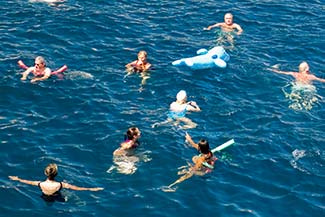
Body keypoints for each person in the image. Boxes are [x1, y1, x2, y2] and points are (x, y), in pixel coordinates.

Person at [9, 163, 103, 202]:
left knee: (48, 202)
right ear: (56, 174)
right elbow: (78, 188)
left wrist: (17, 179)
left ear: (45, 173)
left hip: (44, 197)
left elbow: (27, 182)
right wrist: (92, 189)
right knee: (69, 196)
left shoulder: (39, 184)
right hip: (57, 197)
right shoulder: (61, 184)